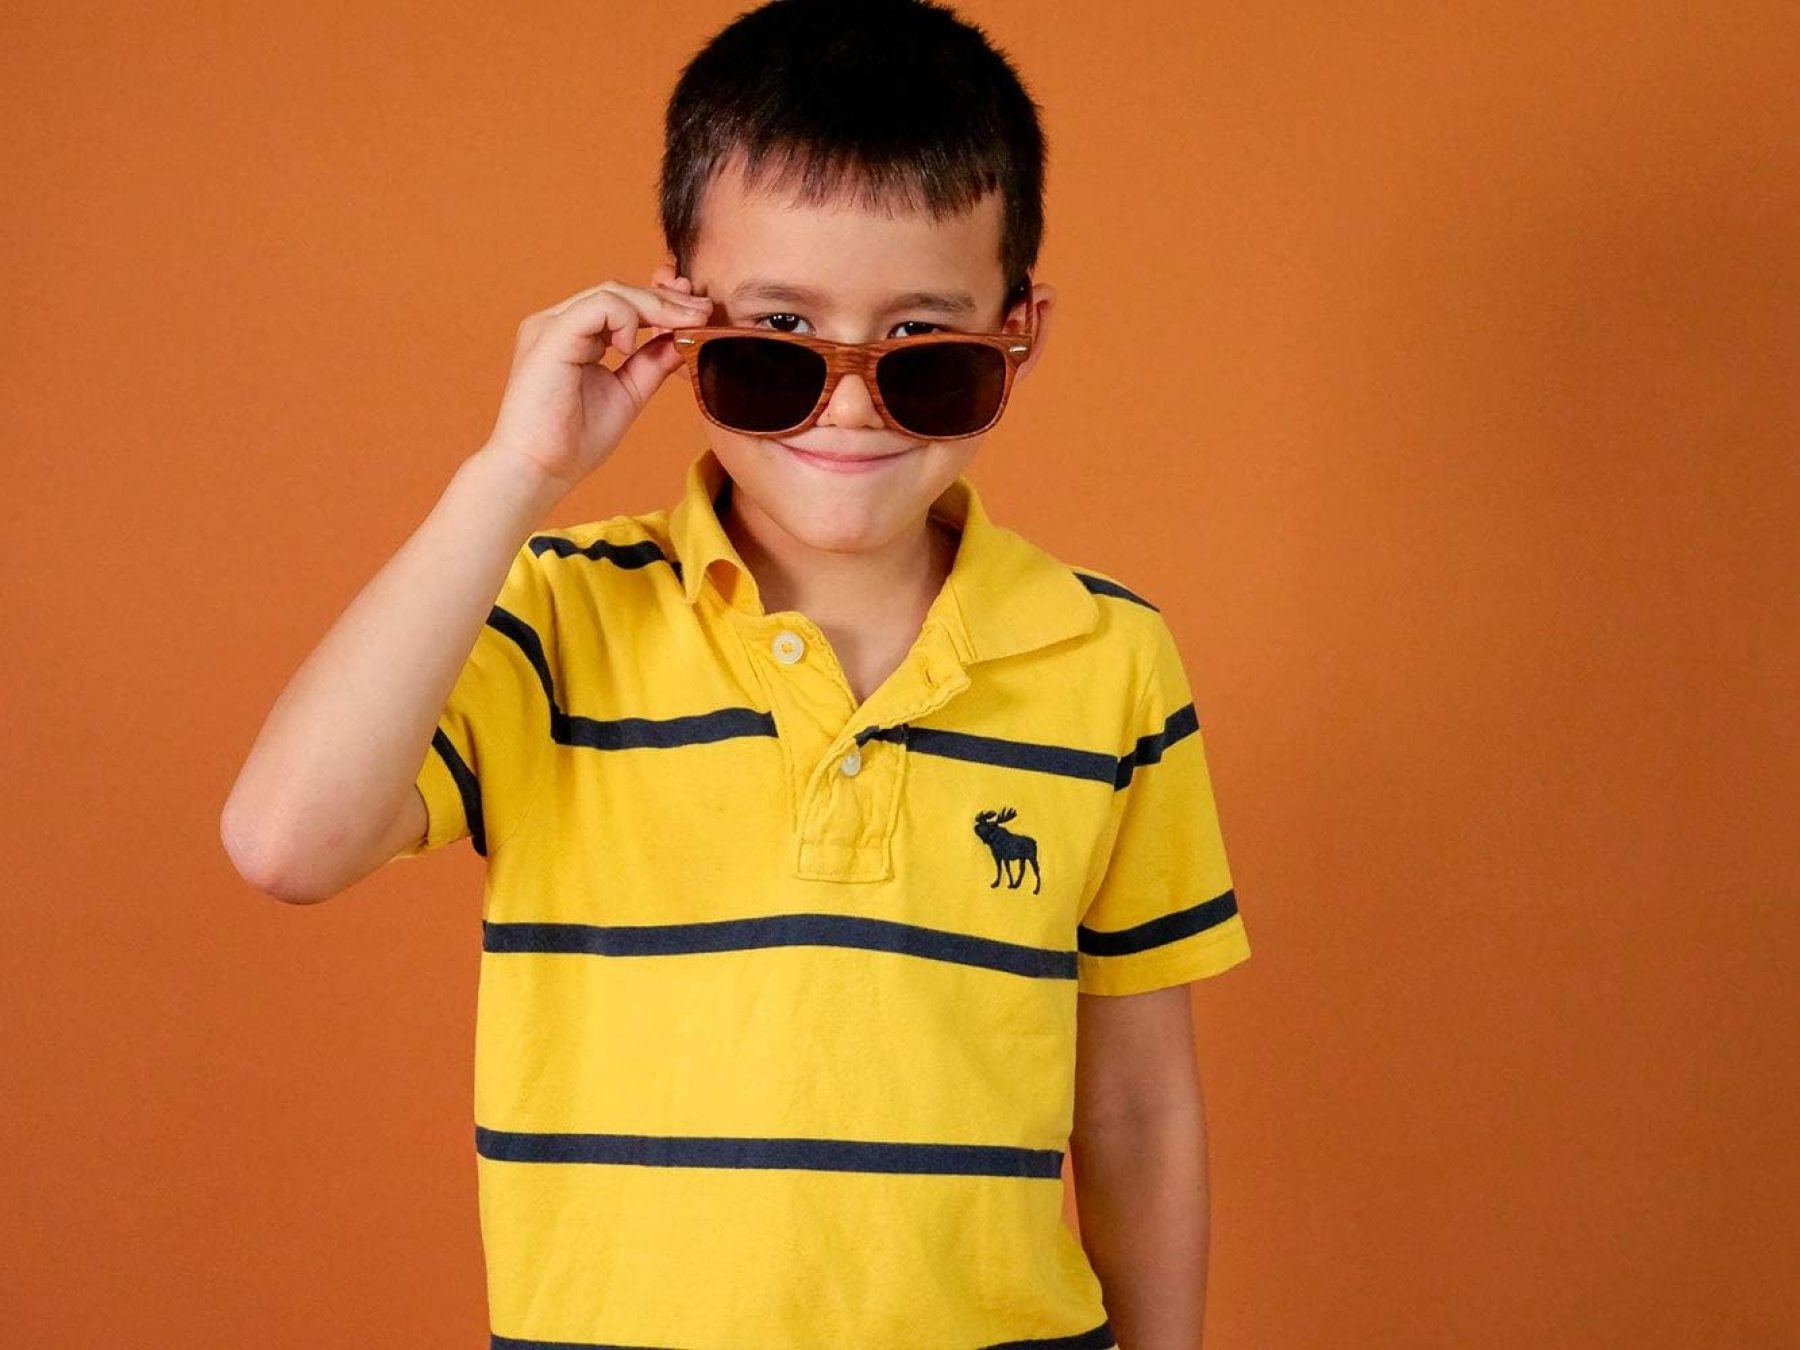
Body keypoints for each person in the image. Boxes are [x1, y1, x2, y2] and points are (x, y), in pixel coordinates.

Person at [221, 1, 1252, 1345]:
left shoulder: (1108, 656)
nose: (849, 405)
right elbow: (285, 841)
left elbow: (1136, 1108)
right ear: (680, 317)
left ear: (1020, 332)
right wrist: (515, 472)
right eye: (777, 336)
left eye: (923, 348)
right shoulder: (558, 616)